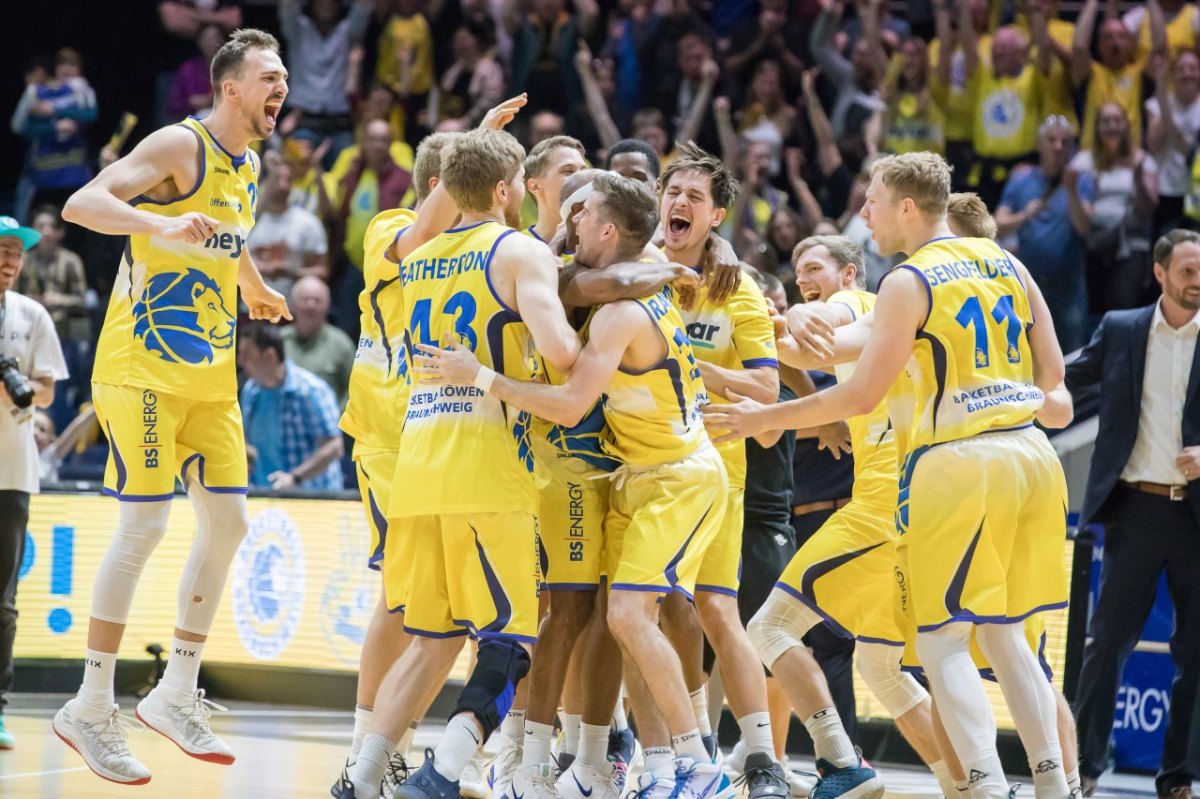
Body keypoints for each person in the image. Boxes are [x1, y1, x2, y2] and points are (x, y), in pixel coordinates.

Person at [706, 152, 1071, 799]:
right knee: (1004, 639)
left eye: (872, 199)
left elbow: (857, 388)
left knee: (944, 645)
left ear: (907, 206)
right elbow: (1057, 393)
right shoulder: (1010, 265)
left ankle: (982, 786)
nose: (865, 211)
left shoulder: (904, 282)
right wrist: (785, 323)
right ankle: (1051, 786)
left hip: (953, 465)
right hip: (1033, 456)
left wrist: (768, 408)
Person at [412, 171, 732, 799]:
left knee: (632, 616)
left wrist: (481, 376)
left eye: (581, 213)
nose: (568, 220)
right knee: (607, 618)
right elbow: (603, 274)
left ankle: (691, 763)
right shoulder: (623, 276)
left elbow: (567, 401)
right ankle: (602, 762)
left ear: (608, 229)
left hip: (674, 474)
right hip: (634, 473)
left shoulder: (618, 310)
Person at [52, 29, 290, 784]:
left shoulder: (249, 162)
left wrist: (250, 280)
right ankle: (90, 705)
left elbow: (227, 232)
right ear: (231, 87)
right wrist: (157, 222)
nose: (282, 88)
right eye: (270, 77)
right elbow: (83, 203)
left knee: (230, 520)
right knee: (147, 521)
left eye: (284, 78)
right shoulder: (177, 146)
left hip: (209, 373)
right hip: (142, 367)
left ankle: (175, 690)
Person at [334, 127, 582, 799]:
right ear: (505, 191)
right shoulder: (519, 250)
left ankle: (358, 778)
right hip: (486, 463)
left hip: (417, 463)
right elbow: (561, 351)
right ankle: (444, 768)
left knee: (431, 638)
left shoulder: (416, 258)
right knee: (510, 638)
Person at [653, 143, 790, 799]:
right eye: (673, 190)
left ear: (717, 217)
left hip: (712, 471)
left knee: (715, 608)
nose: (679, 201)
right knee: (640, 613)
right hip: (637, 466)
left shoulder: (739, 290)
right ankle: (664, 752)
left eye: (694, 197)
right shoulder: (632, 270)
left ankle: (759, 755)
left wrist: (685, 359)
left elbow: (766, 389)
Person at [1066, 228, 1200, 799]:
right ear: (1161, 272)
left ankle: (1179, 778)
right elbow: (1068, 373)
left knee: (1196, 654)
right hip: (1136, 508)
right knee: (1105, 645)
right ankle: (1085, 767)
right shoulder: (1122, 328)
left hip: (1196, 517)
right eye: (1189, 271)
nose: (1198, 282)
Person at [0, 216, 69, 750]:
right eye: (1, 251)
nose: (8, 261)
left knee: (3, 600)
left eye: (15, 253)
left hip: (11, 471)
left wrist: (19, 385)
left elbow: (46, 392)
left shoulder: (32, 315)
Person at [239, 321, 344, 491]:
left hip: (313, 499)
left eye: (246, 355)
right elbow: (249, 442)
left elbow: (334, 447)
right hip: (264, 496)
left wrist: (295, 478)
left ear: (270, 356)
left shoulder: (311, 390)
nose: (240, 361)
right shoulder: (251, 391)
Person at [248, 154, 330, 297]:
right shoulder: (248, 220)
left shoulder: (307, 222)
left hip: (292, 307)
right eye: (277, 178)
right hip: (249, 306)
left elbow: (323, 270)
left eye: (288, 180)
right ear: (266, 181)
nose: (283, 185)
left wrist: (291, 272)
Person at [282, 276, 356, 406]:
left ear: (328, 305)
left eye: (317, 300)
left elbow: (354, 389)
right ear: (291, 305)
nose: (310, 305)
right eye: (305, 300)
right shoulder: (279, 341)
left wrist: (336, 420)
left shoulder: (341, 345)